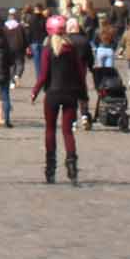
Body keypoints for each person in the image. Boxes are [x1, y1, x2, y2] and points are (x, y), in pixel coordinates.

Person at [31, 14, 90, 184]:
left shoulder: (48, 49)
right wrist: (83, 94)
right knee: (67, 131)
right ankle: (72, 165)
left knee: (50, 130)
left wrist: (35, 91)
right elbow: (80, 73)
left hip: (53, 94)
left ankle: (50, 168)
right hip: (70, 94)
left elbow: (43, 75)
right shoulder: (71, 49)